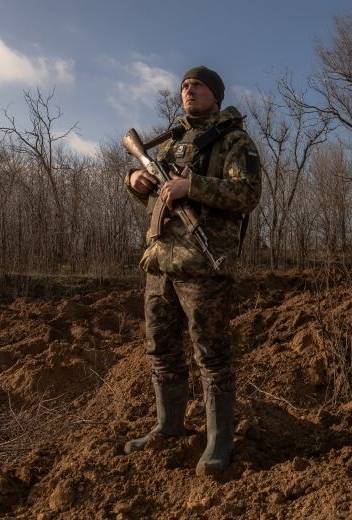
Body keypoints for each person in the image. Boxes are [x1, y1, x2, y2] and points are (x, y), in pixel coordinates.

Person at [122, 65, 261, 477]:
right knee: (160, 349)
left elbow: (247, 194)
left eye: (197, 85)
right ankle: (169, 426)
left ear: (215, 95)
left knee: (212, 356)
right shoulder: (169, 142)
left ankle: (219, 441)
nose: (188, 90)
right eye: (184, 85)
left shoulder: (234, 140)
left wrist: (192, 187)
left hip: (204, 266)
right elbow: (146, 188)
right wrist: (134, 181)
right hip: (160, 263)